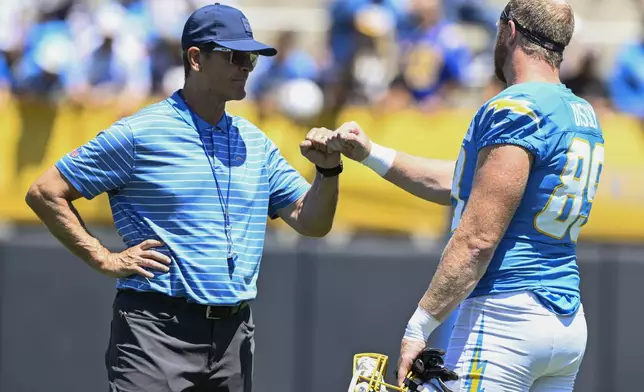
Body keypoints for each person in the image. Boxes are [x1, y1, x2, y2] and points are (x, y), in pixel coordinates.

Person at [25, 4, 341, 392]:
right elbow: (45, 191)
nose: (246, 66)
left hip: (233, 336)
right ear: (196, 58)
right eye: (235, 56)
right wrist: (102, 257)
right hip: (156, 332)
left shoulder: (255, 141)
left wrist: (328, 173)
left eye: (252, 58)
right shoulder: (141, 132)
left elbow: (312, 222)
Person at [327, 0, 603, 390]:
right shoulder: (580, 112)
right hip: (566, 322)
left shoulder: (517, 106)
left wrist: (419, 325)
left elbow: (477, 239)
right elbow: (469, 185)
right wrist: (372, 155)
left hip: (505, 319)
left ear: (508, 31)